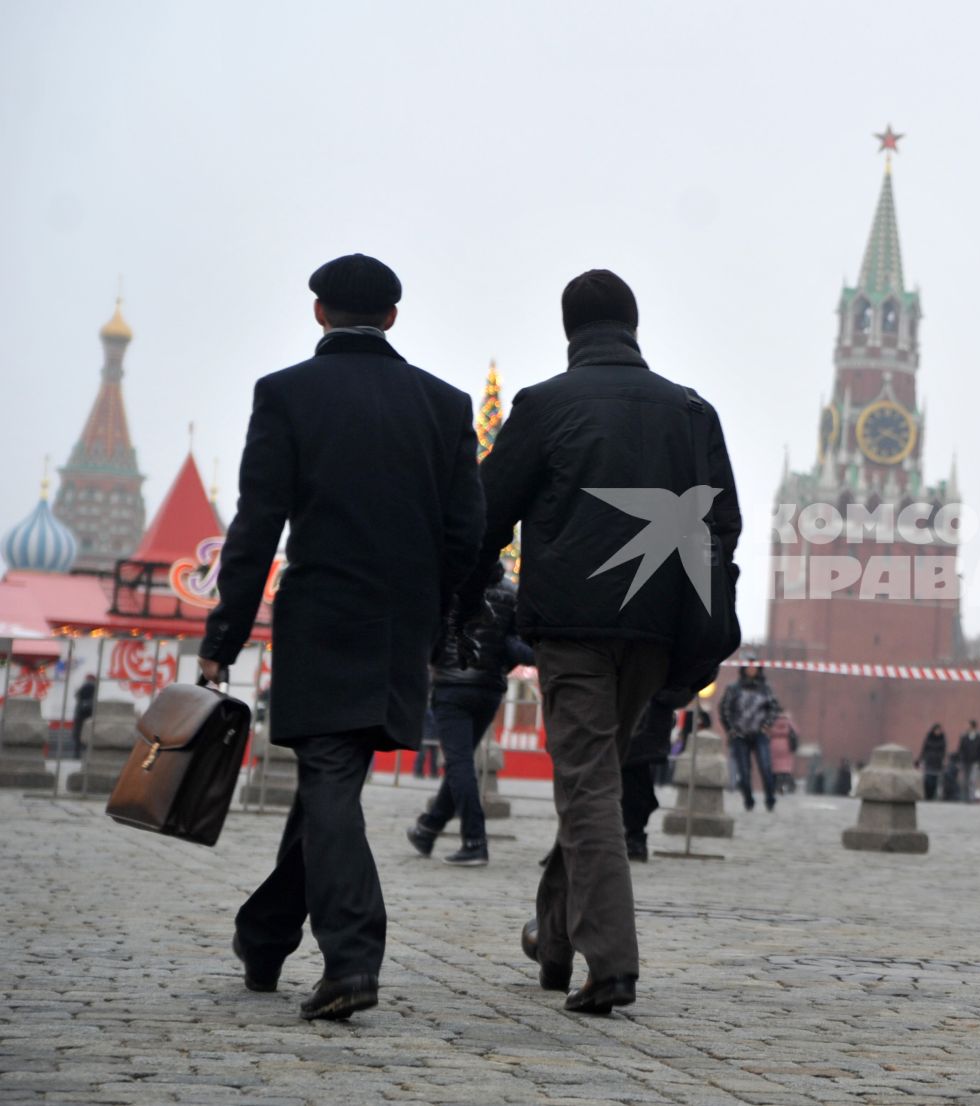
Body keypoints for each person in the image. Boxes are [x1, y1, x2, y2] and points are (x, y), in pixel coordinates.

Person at [201, 254, 484, 1022]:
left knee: (327, 780)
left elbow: (257, 525)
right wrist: (440, 619)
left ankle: (353, 959)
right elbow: (467, 535)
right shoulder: (444, 404)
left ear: (319, 311)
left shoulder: (286, 393)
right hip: (401, 631)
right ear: (393, 317)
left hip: (322, 620)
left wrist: (222, 636)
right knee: (332, 783)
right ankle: (264, 934)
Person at [462, 268, 740, 1015]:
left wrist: (467, 597)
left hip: (575, 630)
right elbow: (724, 528)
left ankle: (610, 961)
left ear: (568, 331)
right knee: (592, 780)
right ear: (635, 324)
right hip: (656, 632)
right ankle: (553, 940)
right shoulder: (692, 412)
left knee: (587, 786)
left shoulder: (545, 406)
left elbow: (484, 516)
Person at [406, 563, 532, 867]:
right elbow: (516, 646)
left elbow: (430, 635)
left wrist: (436, 662)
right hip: (489, 689)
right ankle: (429, 827)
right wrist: (499, 668)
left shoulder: (450, 588)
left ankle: (474, 840)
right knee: (461, 762)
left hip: (451, 685)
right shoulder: (512, 593)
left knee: (459, 763)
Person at [620, 694, 684, 862]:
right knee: (632, 779)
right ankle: (632, 835)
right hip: (631, 714)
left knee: (635, 779)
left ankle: (634, 836)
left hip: (646, 718)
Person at [719, 657, 780, 811]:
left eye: (754, 667)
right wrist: (731, 729)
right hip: (739, 735)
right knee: (744, 772)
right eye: (749, 667)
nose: (751, 670)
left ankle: (770, 799)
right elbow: (725, 709)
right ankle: (748, 800)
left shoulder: (765, 689)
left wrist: (766, 725)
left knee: (766, 767)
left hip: (760, 733)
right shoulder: (734, 688)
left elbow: (774, 708)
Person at [956, 720, 980, 802]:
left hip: (975, 762)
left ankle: (971, 797)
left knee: (972, 780)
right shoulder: (964, 737)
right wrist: (960, 760)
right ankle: (965, 797)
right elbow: (960, 750)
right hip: (965, 761)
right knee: (965, 780)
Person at [916, 723, 947, 801]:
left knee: (935, 781)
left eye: (939, 730)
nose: (938, 732)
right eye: (936, 730)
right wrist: (920, 759)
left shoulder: (942, 739)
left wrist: (943, 760)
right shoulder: (928, 738)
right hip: (929, 761)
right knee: (928, 780)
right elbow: (924, 749)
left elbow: (943, 751)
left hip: (937, 763)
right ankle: (927, 795)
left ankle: (932, 797)